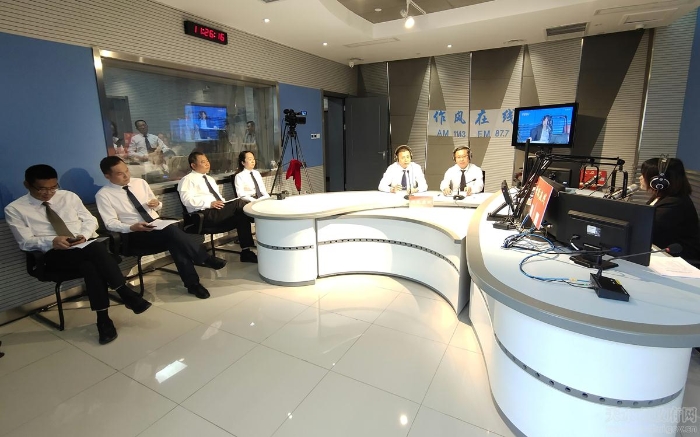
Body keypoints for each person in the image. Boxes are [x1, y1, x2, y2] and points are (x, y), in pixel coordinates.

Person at [5, 164, 152, 345]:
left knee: (90, 265)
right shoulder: (15, 209)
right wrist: (52, 241)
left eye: (53, 187)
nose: (48, 193)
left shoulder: (68, 197)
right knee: (95, 251)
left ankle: (104, 320)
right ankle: (124, 292)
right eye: (42, 189)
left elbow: (90, 220)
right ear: (27, 185)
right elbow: (25, 241)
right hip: (54, 255)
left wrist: (84, 235)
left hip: (84, 247)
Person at [96, 156, 227, 300]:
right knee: (171, 232)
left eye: (127, 170)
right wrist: (131, 227)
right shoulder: (103, 195)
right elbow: (110, 223)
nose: (126, 175)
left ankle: (193, 284)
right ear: (107, 176)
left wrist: (156, 204)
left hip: (156, 227)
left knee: (174, 238)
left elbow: (158, 206)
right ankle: (204, 259)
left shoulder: (140, 183)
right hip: (134, 234)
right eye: (120, 174)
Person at [178, 152, 258, 263]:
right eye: (203, 162)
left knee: (241, 216)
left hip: (216, 212)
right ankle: (259, 219)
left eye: (207, 161)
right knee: (239, 203)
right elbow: (186, 200)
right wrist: (209, 203)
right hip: (202, 215)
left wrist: (225, 204)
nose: (207, 164)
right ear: (193, 165)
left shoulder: (210, 179)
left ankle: (246, 252)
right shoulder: (187, 180)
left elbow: (219, 199)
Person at [639, 157, 700, 262]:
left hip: (677, 260)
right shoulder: (660, 197)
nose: (640, 178)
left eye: (644, 175)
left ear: (658, 181)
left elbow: (644, 229)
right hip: (660, 252)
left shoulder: (675, 204)